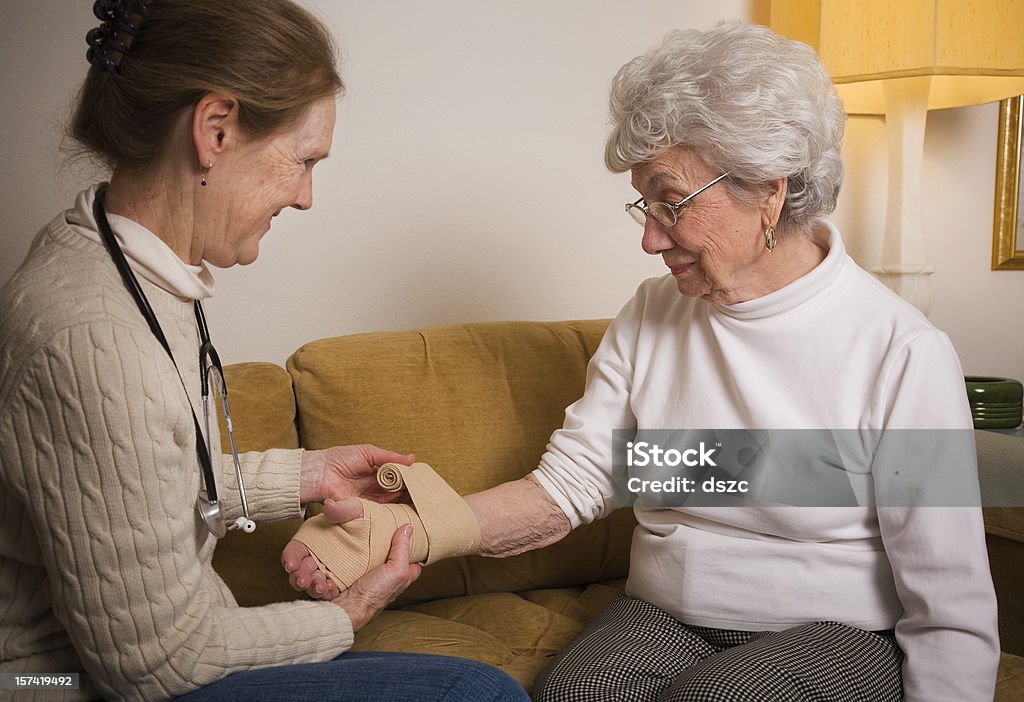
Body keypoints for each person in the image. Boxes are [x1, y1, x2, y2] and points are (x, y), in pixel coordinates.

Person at [284, 21, 1001, 701]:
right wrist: (402, 528)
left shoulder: (900, 351)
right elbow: (571, 486)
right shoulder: (655, 314)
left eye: (672, 203)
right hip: (667, 613)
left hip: (840, 633)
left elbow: (949, 595)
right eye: (643, 207)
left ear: (771, 187)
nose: (651, 242)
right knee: (578, 691)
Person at [0, 1, 531, 700]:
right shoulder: (95, 337)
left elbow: (123, 478)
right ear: (215, 130)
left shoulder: (111, 257)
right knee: (478, 694)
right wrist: (346, 614)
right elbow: (152, 664)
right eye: (303, 159)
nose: (307, 197)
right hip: (53, 679)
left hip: (139, 655)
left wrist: (308, 476)